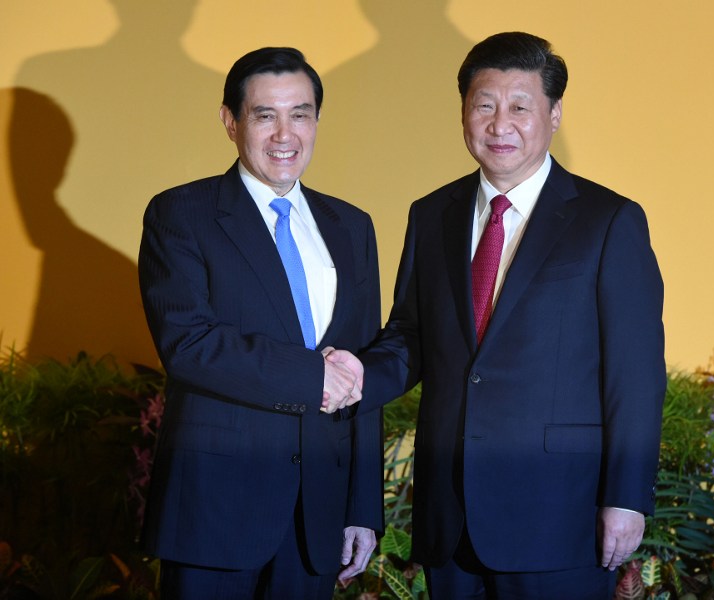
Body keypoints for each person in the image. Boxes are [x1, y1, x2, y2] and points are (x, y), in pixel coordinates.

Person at [333, 31, 666, 599]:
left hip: (561, 514)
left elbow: (635, 376)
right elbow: (413, 337)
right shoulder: (432, 213)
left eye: (520, 107)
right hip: (450, 514)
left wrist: (627, 497)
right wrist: (353, 377)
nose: (499, 123)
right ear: (463, 112)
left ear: (554, 114)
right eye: (484, 105)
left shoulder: (608, 221)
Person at [138, 47, 382, 599]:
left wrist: (363, 507)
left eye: (300, 114)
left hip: (318, 517)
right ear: (230, 121)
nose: (284, 134)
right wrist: (309, 376)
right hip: (216, 509)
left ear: (317, 120)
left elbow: (358, 368)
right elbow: (188, 343)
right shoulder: (180, 214)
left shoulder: (352, 225)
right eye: (264, 115)